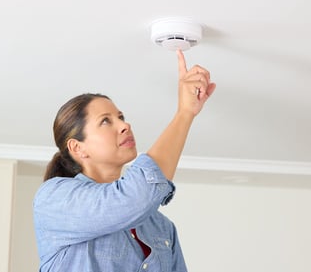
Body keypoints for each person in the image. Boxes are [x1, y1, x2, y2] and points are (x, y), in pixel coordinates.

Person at [33, 49, 216, 272]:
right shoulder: (54, 200)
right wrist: (184, 113)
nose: (124, 125)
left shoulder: (162, 228)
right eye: (105, 121)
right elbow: (135, 196)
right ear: (77, 147)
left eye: (121, 117)